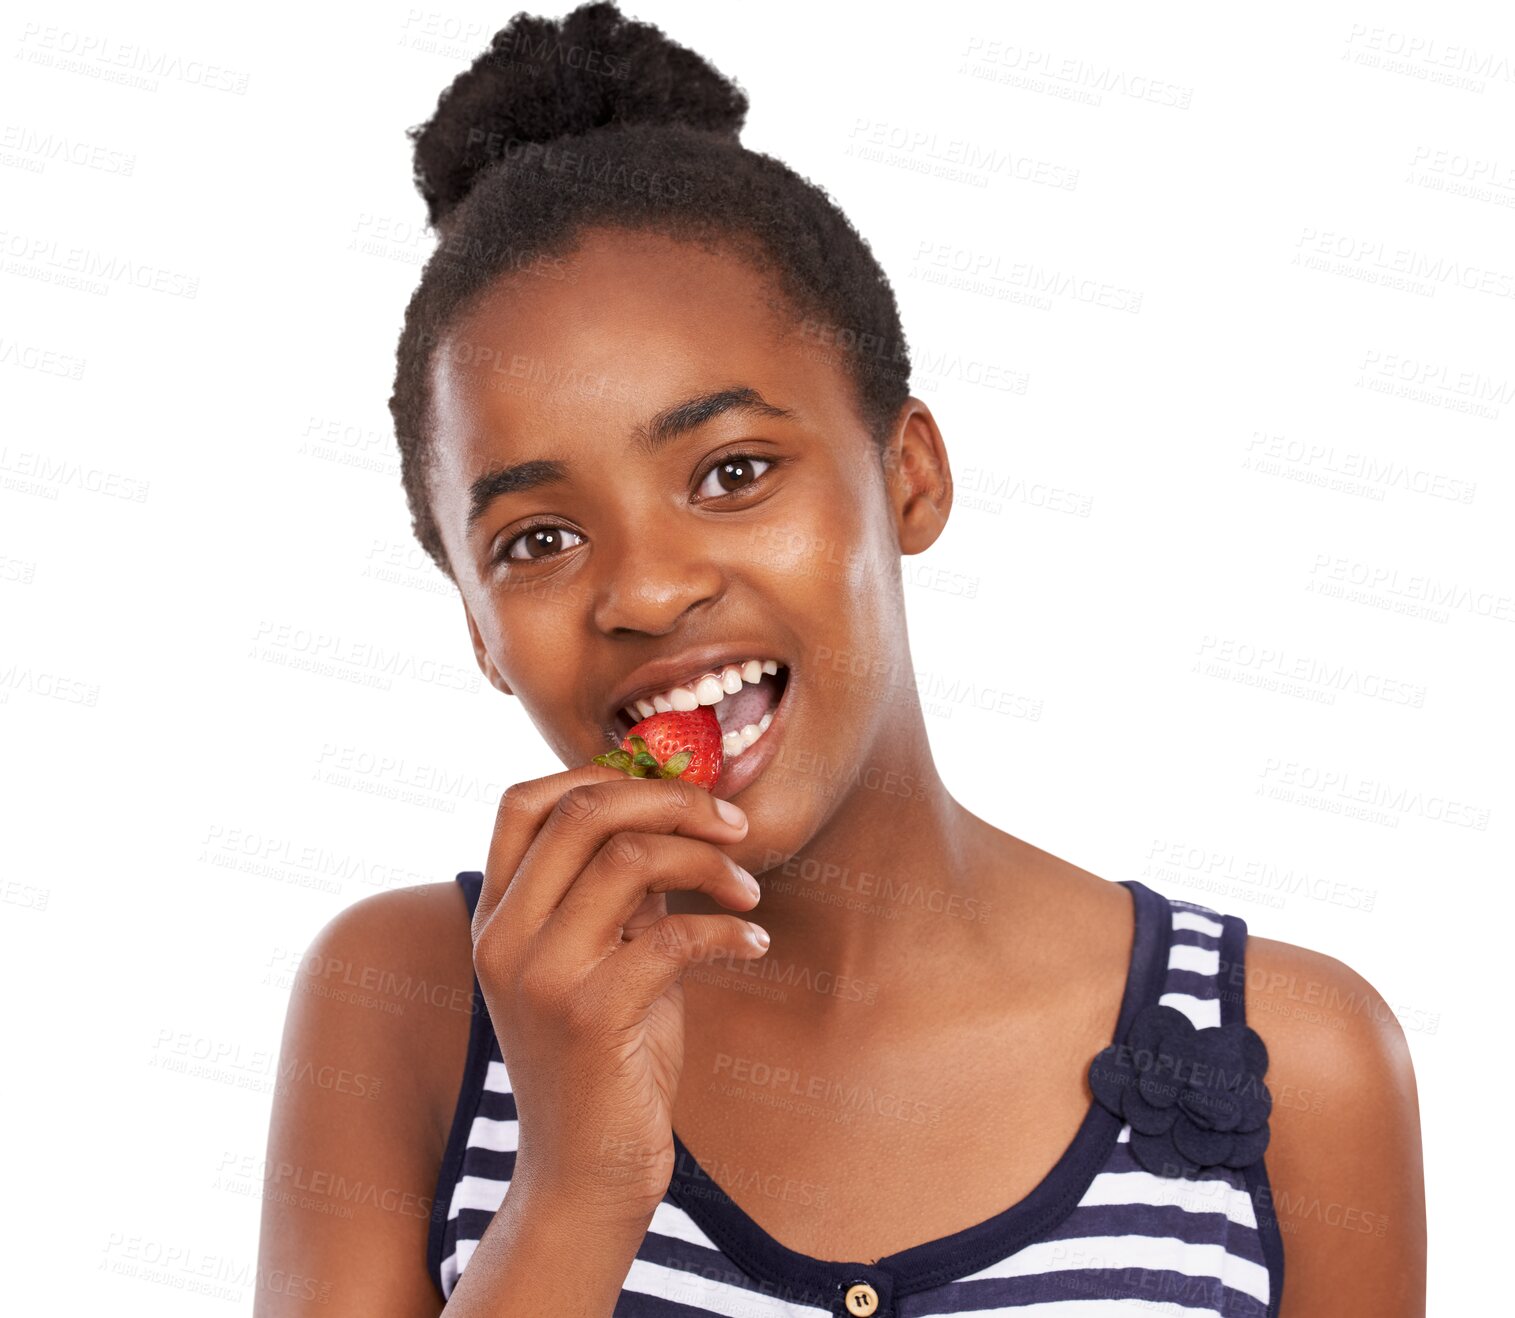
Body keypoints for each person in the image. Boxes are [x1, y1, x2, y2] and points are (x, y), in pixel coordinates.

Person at [255, 4, 1426, 1314]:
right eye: (539, 537)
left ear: (908, 474)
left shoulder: (1299, 1058)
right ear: (476, 623)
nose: (644, 589)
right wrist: (578, 1180)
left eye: (734, 470)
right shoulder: (411, 998)